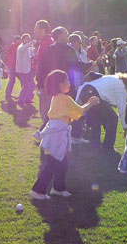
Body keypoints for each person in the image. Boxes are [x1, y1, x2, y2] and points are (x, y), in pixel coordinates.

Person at [29, 70, 99, 201]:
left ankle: (58, 188)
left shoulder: (57, 98)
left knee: (62, 162)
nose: (69, 83)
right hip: (57, 135)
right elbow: (79, 112)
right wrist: (91, 103)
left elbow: (73, 113)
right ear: (60, 84)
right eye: (67, 81)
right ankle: (37, 191)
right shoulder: (65, 98)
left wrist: (86, 104)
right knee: (52, 164)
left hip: (55, 134)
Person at [76, 73, 127, 150]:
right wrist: (125, 128)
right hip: (93, 93)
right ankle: (108, 145)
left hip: (85, 90)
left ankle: (95, 144)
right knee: (113, 118)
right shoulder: (122, 88)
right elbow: (122, 110)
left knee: (97, 118)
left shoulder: (114, 78)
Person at [36, 26, 78, 124]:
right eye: (66, 33)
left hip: (52, 86)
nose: (68, 36)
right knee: (66, 110)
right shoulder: (68, 50)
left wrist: (40, 85)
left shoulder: (48, 50)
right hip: (66, 86)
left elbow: (41, 69)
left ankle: (47, 129)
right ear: (59, 35)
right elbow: (75, 67)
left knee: (53, 110)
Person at [16, 33, 35, 106]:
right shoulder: (21, 47)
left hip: (27, 69)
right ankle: (20, 100)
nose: (28, 39)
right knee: (26, 86)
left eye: (28, 38)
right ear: (22, 39)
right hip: (22, 70)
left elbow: (29, 55)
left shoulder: (28, 48)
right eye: (26, 38)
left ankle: (27, 99)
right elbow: (24, 49)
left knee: (32, 85)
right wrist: (31, 43)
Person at [4, 36, 22, 102]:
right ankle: (24, 94)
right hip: (14, 65)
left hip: (12, 65)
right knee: (18, 80)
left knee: (12, 80)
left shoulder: (12, 45)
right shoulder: (16, 45)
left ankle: (8, 94)